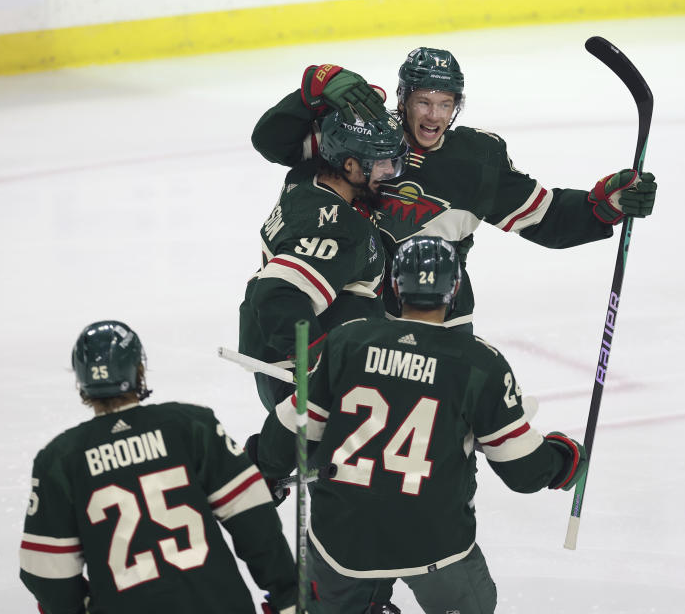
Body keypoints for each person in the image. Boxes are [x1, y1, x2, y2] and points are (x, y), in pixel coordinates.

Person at [254, 237, 589, 614]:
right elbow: (523, 472)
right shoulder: (480, 364)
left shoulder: (347, 341)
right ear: (455, 289)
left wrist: (267, 469)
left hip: (341, 540)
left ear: (395, 287)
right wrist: (564, 461)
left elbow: (291, 427)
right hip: (434, 543)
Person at [250, 48, 657, 330]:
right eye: (424, 102)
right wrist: (309, 95)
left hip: (437, 312)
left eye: (445, 104)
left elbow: (546, 219)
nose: (434, 115)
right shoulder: (365, 135)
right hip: (352, 308)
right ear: (404, 99)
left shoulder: (476, 160)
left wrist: (604, 206)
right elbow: (274, 144)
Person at [19, 320, 297, 614]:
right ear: (138, 369)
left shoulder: (60, 459)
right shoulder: (191, 426)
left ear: (81, 379)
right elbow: (254, 520)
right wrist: (289, 596)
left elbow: (48, 573)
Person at [239, 108, 407, 410]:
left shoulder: (307, 176)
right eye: (381, 162)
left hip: (279, 361)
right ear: (351, 164)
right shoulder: (338, 228)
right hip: (307, 383)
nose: (389, 172)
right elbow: (277, 293)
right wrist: (316, 361)